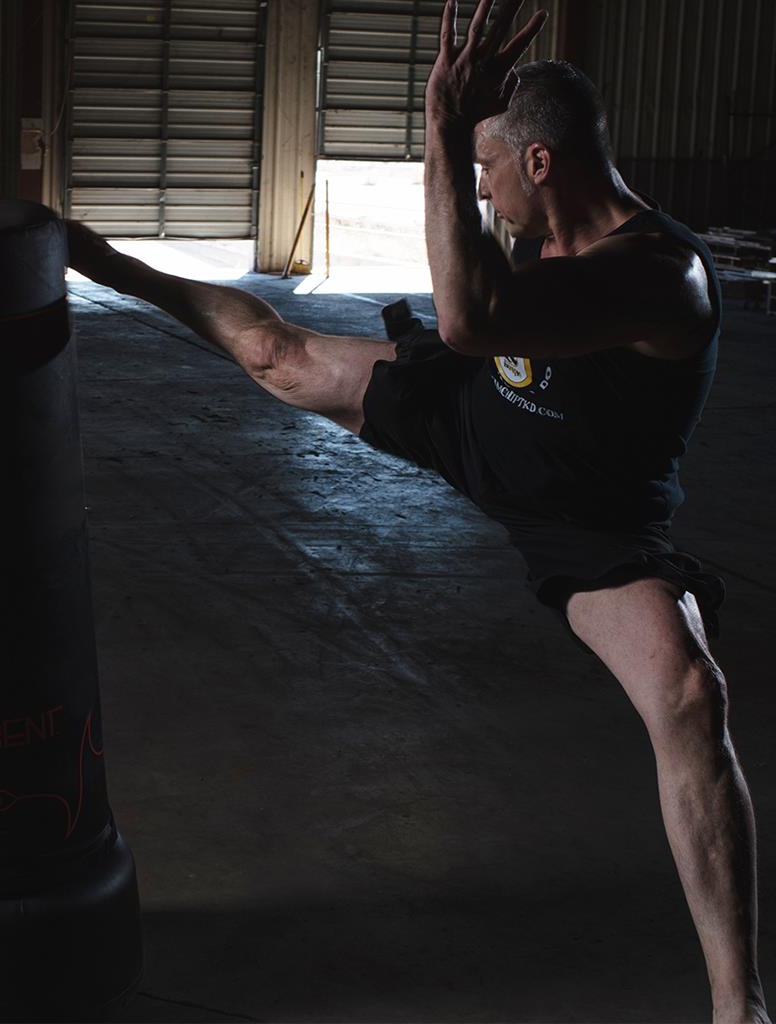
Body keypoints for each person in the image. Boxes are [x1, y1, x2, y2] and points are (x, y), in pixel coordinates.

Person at [65, 2, 769, 1017]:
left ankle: (739, 1005)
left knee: (690, 697)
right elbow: (472, 327)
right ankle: (105, 263)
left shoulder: (663, 276)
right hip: (478, 414)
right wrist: (464, 150)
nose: (479, 187)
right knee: (276, 353)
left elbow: (471, 318)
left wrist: (446, 125)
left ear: (539, 162)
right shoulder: (543, 225)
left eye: (489, 169)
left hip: (585, 518)